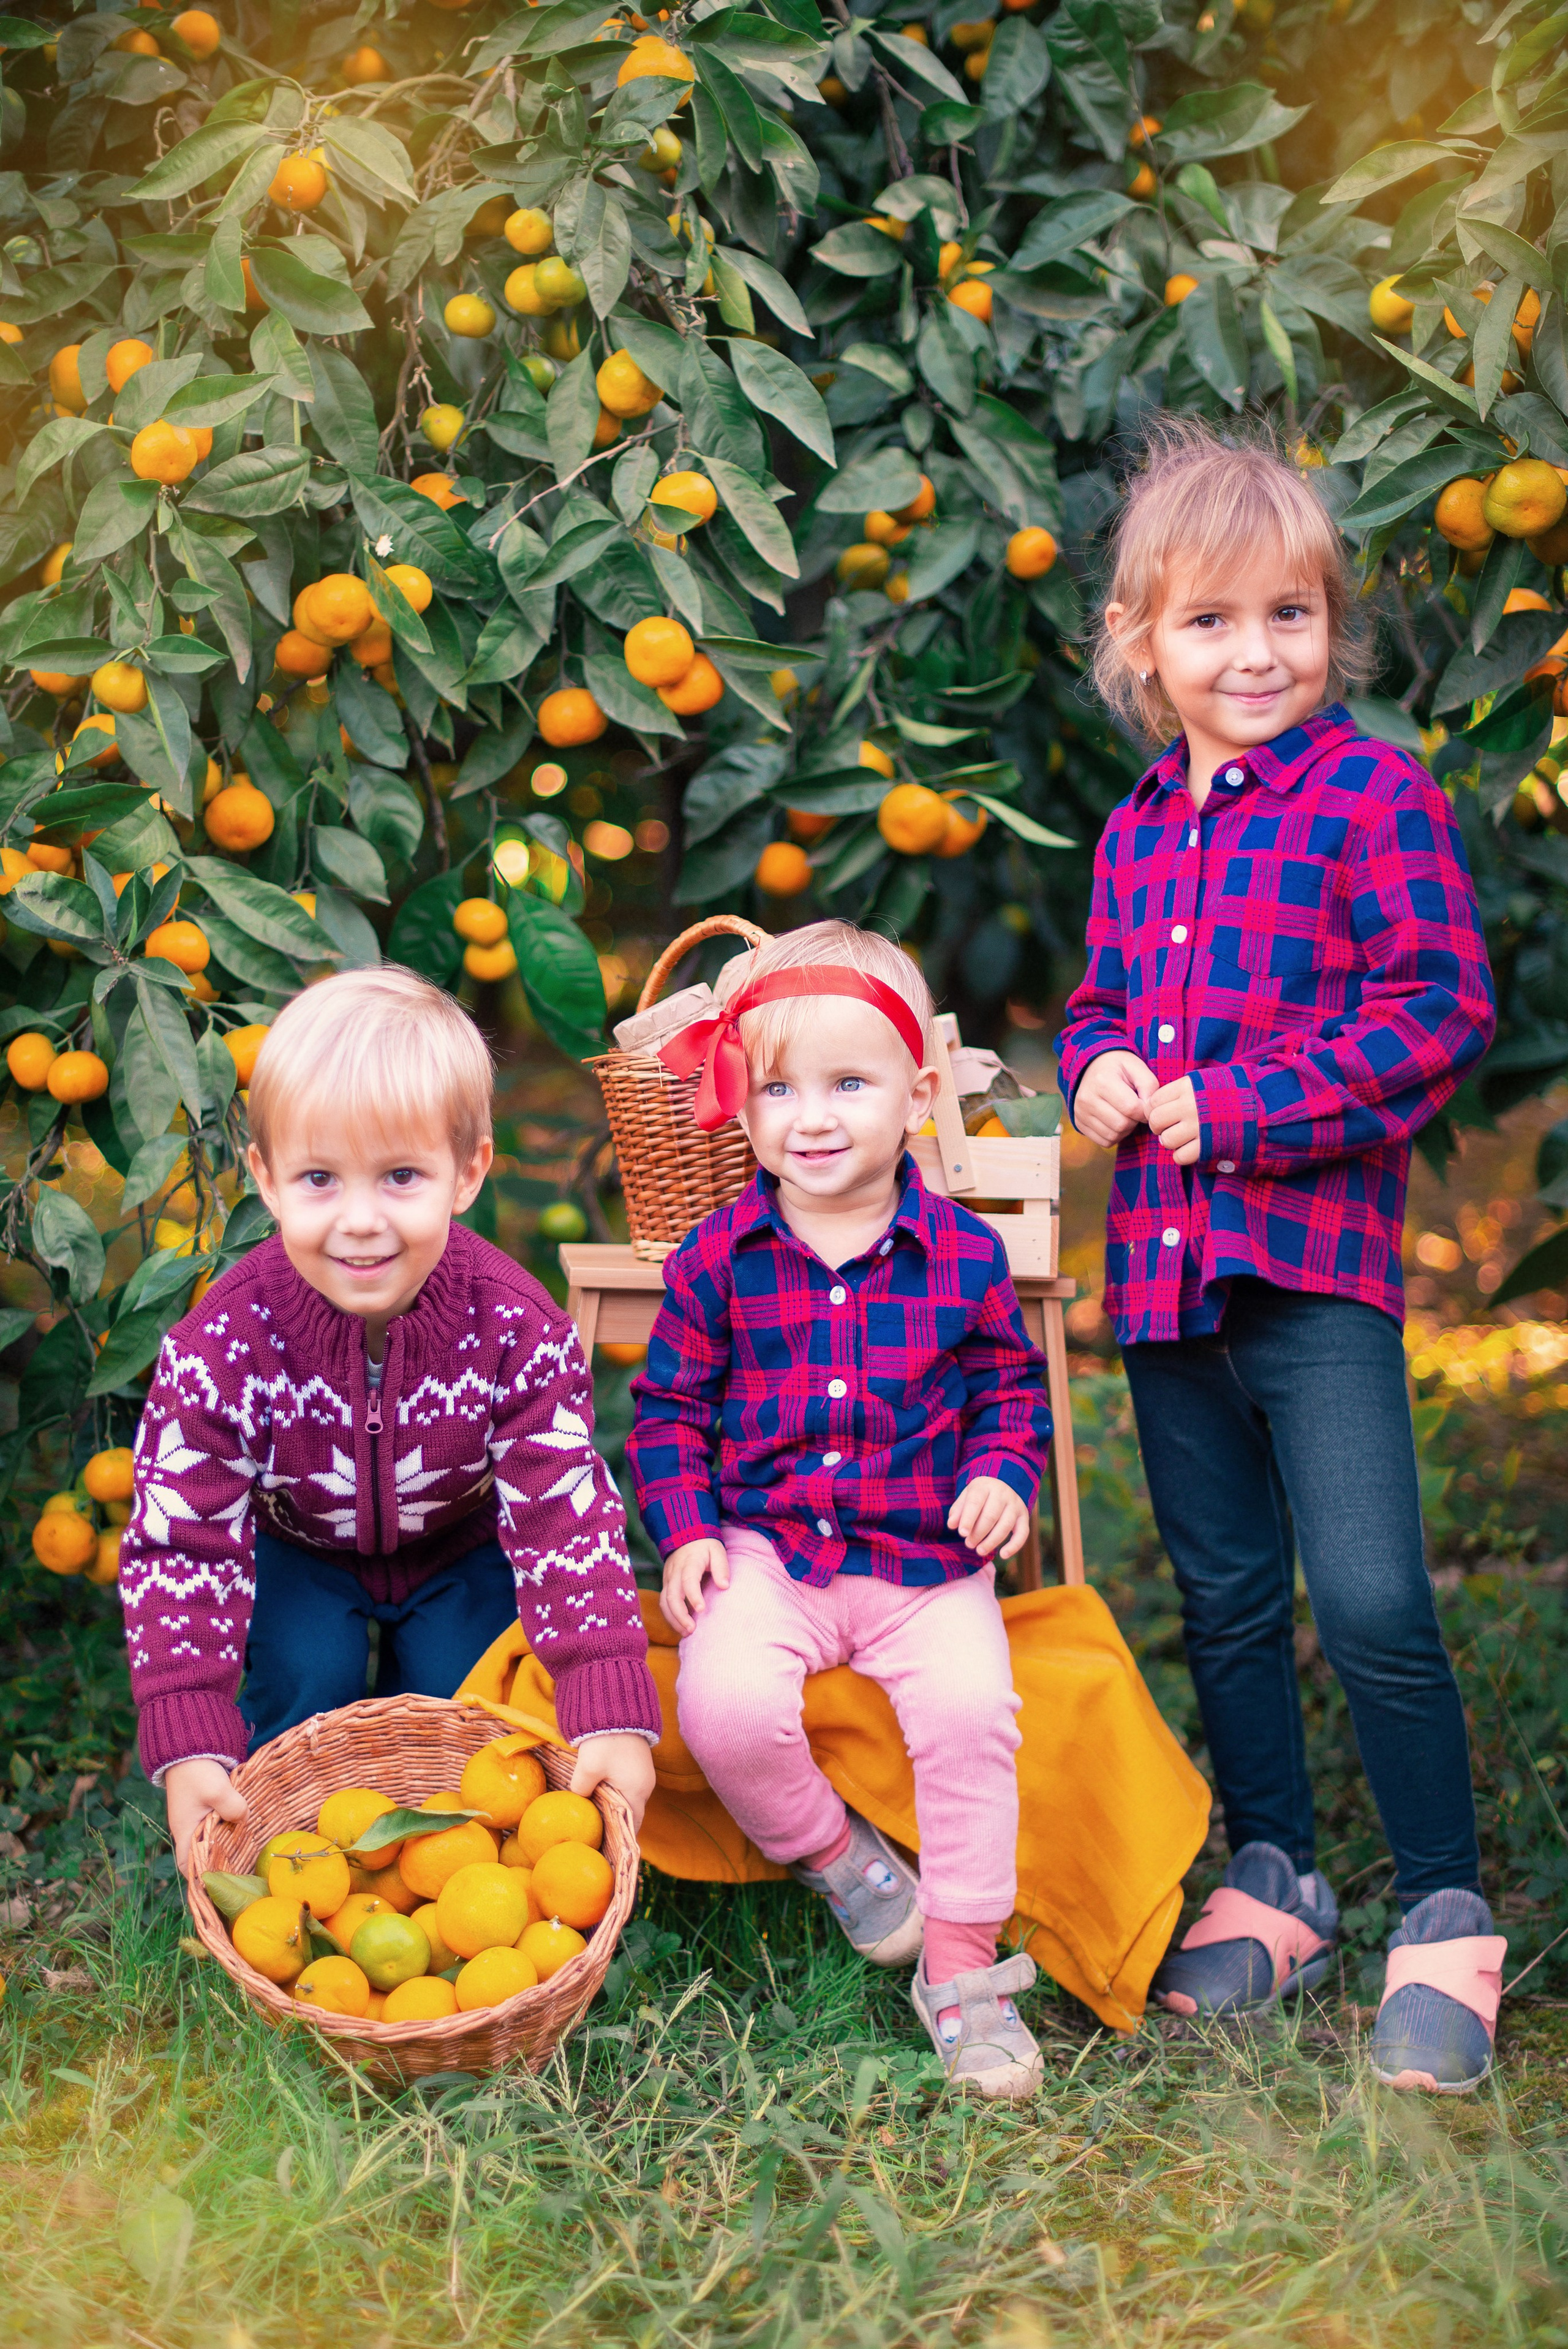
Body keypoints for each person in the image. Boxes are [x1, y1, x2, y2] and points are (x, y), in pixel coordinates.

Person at [1056, 419, 1502, 2092]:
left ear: (1331, 627)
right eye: (1213, 622)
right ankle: (1273, 1870)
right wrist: (1097, 1065)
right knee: (1228, 1598)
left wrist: (1230, 1106)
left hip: (1313, 1271)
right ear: (1143, 646)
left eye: (1291, 617)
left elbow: (1439, 1010)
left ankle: (1446, 1909)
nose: (1256, 654)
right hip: (1169, 1288)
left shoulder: (1372, 796)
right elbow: (1108, 1008)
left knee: (1374, 1595)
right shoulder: (1132, 837)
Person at [625, 921, 1052, 2099]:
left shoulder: (964, 1257)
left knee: (973, 1715)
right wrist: (694, 1529)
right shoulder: (718, 1260)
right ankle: (835, 1855)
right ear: (744, 1103)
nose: (811, 1118)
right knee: (717, 1698)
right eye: (778, 1088)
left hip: (926, 1559)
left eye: (849, 1084)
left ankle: (963, 1974)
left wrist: (1003, 1475)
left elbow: (1010, 1390)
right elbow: (665, 1407)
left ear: (916, 1096)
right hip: (776, 1553)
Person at [120, 966, 659, 1870]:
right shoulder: (222, 1344)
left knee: (469, 1720)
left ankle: (441, 1868)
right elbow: (184, 1541)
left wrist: (606, 1700)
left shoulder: (516, 1327)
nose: (361, 1221)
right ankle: (291, 1862)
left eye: (401, 1175)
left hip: (459, 1544)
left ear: (468, 1171)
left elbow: (568, 1514)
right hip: (301, 1551)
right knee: (307, 1684)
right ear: (266, 1177)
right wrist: (191, 1738)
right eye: (320, 1178)